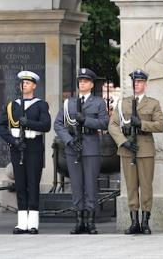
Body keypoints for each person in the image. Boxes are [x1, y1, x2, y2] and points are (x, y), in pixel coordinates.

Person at [108, 69, 163, 235]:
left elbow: (160, 125)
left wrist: (141, 124)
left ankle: (145, 221)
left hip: (145, 149)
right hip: (127, 150)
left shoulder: (153, 103)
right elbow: (112, 125)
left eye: (139, 82)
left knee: (146, 186)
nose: (136, 84)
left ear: (145, 84)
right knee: (131, 187)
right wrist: (123, 142)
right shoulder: (123, 103)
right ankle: (134, 222)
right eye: (134, 82)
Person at [54, 68, 109, 234]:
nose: (82, 83)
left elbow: (104, 123)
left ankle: (91, 222)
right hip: (73, 147)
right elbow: (58, 124)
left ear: (91, 84)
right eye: (80, 81)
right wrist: (69, 141)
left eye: (85, 81)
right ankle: (79, 222)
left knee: (91, 185)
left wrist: (86, 120)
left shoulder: (98, 102)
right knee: (77, 185)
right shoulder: (68, 103)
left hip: (90, 146)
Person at [0, 71, 51, 234]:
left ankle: (33, 223)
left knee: (33, 184)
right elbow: (0, 127)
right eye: (22, 83)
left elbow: (46, 126)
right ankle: (21, 223)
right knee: (20, 185)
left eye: (28, 83)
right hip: (17, 147)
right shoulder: (12, 105)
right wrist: (13, 141)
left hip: (33, 147)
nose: (24, 85)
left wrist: (30, 123)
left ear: (34, 85)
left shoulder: (41, 104)